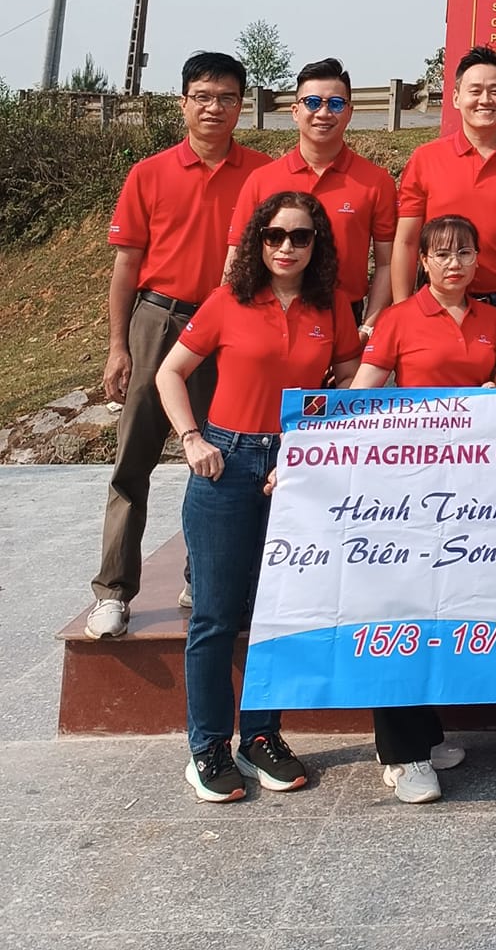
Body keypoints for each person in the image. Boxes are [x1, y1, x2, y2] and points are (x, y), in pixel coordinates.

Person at [156, 193, 360, 801]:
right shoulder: (229, 300)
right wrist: (191, 438)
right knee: (216, 614)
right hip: (226, 461)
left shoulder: (332, 305)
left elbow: (350, 374)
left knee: (276, 612)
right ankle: (209, 744)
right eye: (274, 236)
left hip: (296, 466)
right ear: (257, 241)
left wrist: (315, 439)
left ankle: (262, 735)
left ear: (317, 244)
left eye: (300, 236)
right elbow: (170, 372)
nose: (286, 247)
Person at [88, 50, 272, 638]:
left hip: (231, 326)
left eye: (226, 98)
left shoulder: (264, 175)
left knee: (221, 455)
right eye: (203, 97)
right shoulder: (149, 173)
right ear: (183, 103)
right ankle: (114, 590)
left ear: (242, 106)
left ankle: (203, 575)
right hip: (160, 319)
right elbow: (126, 266)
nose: (214, 108)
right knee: (133, 459)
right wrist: (119, 346)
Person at [351, 214, 496, 802]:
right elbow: (361, 398)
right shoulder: (398, 318)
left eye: (464, 253)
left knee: (443, 610)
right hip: (411, 488)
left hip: (473, 488)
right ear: (421, 262)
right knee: (400, 612)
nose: (453, 264)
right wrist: (309, 452)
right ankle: (403, 752)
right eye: (441, 254)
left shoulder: (492, 319)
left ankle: (424, 732)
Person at [387, 47, 496, 326]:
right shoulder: (425, 159)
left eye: (495, 91)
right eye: (475, 91)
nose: (485, 100)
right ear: (456, 97)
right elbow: (406, 241)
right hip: (436, 305)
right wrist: (403, 309)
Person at [226, 57, 396, 325]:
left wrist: (368, 327)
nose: (324, 113)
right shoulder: (261, 180)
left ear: (349, 112)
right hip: (268, 317)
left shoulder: (376, 182)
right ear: (295, 111)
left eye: (336, 104)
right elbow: (237, 257)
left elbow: (387, 264)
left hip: (343, 318)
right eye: (313, 103)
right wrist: (228, 320)